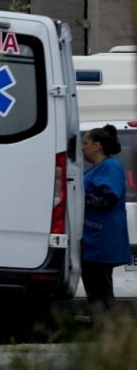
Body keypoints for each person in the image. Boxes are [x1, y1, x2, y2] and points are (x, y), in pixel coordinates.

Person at [80, 124, 129, 315]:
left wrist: (81, 198)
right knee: (95, 292)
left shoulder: (110, 167)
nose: (82, 147)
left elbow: (108, 199)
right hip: (92, 241)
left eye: (85, 142)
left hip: (101, 241)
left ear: (96, 146)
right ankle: (104, 333)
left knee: (101, 292)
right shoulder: (98, 168)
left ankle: (109, 334)